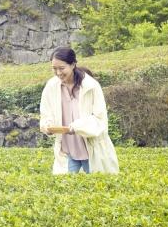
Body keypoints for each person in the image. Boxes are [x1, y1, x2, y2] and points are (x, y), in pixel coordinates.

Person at [39, 47, 119, 175]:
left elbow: (100, 120)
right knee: (66, 185)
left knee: (95, 184)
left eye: (62, 68)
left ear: (73, 65)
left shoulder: (91, 86)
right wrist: (47, 126)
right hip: (67, 151)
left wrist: (76, 127)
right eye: (54, 68)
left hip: (90, 149)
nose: (58, 73)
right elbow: (46, 114)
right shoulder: (51, 86)